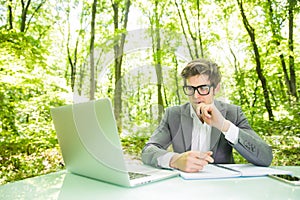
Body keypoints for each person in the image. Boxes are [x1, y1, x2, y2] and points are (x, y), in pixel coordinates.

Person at [141, 58, 273, 172]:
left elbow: (265, 157)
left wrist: (224, 125)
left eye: (203, 88)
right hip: (183, 187)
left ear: (216, 89)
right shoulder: (173, 114)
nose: (196, 96)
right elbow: (148, 151)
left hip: (222, 188)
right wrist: (175, 160)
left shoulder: (233, 113)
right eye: (190, 89)